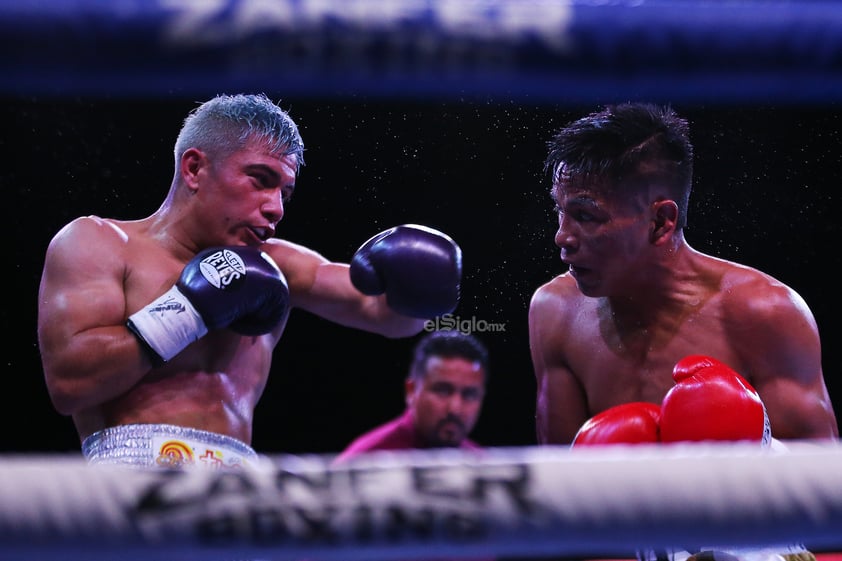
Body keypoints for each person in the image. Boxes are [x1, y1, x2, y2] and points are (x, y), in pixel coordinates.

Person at [37, 93, 463, 470]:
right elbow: (70, 384)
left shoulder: (278, 265)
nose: (275, 207)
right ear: (194, 168)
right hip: (130, 481)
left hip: (239, 495)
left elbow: (384, 313)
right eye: (260, 180)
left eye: (285, 192)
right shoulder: (100, 243)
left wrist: (424, 285)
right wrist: (189, 308)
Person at [528, 103, 838, 561]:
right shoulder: (554, 314)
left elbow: (824, 509)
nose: (562, 236)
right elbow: (566, 511)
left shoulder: (762, 314)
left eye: (586, 215)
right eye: (561, 212)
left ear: (660, 222)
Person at [333, 329, 489, 463]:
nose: (455, 408)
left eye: (469, 395)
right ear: (411, 390)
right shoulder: (365, 461)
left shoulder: (484, 467)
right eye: (443, 390)